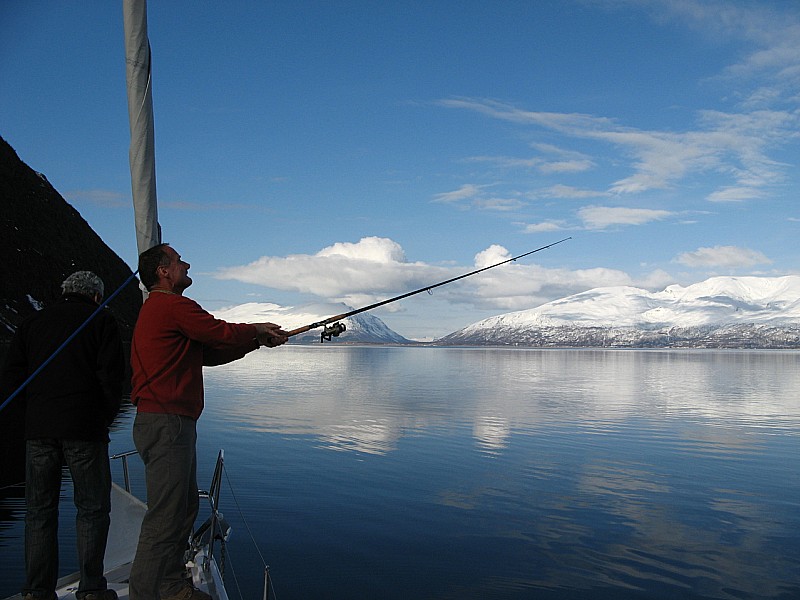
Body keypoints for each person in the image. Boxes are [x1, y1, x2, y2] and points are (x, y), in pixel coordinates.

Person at [128, 244, 289, 600]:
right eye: (178, 260)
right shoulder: (172, 306)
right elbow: (217, 331)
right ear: (163, 272)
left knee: (183, 507)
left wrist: (256, 342)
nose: (186, 264)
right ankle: (145, 592)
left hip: (170, 422)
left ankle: (169, 584)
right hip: (167, 422)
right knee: (165, 516)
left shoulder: (162, 310)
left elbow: (209, 353)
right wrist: (256, 329)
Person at [1, 271, 125, 600]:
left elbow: (12, 377)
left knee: (39, 512)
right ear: (96, 296)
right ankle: (91, 588)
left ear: (64, 291)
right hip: (85, 430)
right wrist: (103, 420)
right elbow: (111, 380)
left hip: (39, 431)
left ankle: (37, 591)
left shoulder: (31, 324)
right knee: (93, 510)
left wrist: (30, 418)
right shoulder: (102, 322)